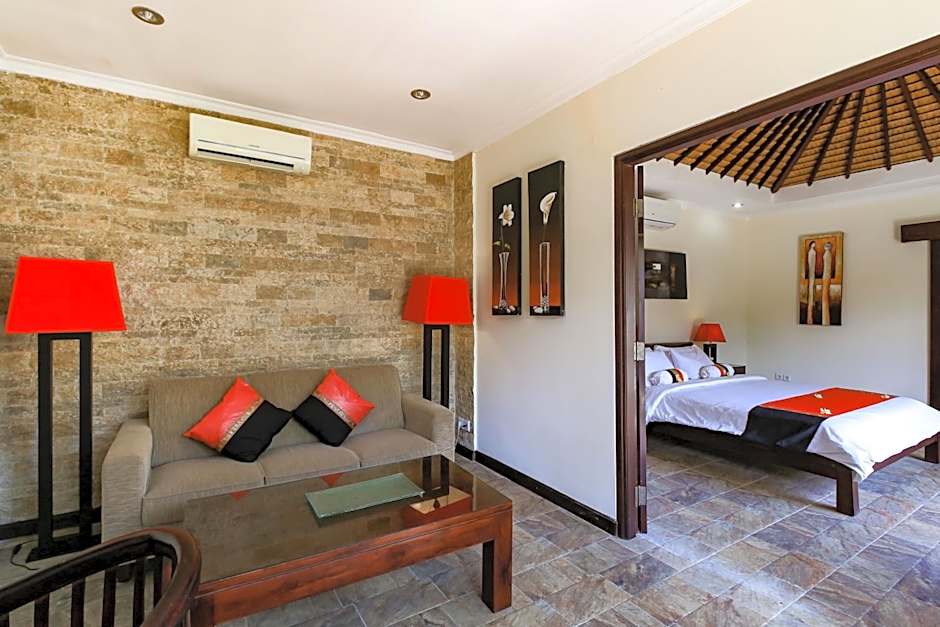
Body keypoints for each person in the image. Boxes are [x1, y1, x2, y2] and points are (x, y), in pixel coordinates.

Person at [806, 240, 817, 324]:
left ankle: (810, 317)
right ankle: (809, 318)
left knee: (812, 288)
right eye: (813, 244)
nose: (814, 245)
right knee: (811, 287)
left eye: (814, 244)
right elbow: (810, 261)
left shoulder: (813, 252)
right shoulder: (811, 252)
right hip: (811, 271)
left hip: (812, 271)